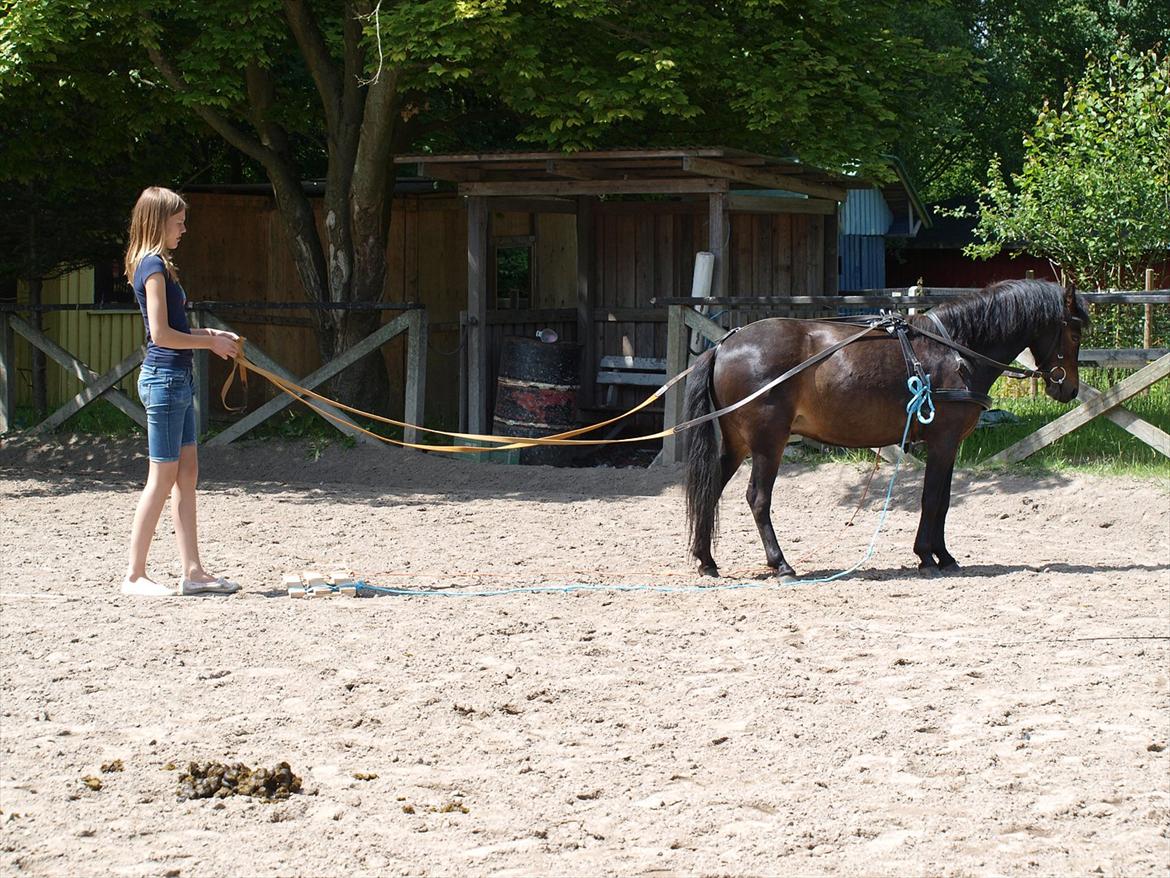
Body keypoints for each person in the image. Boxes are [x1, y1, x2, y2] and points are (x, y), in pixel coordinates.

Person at [121, 186, 242, 597]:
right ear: (159, 222)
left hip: (177, 379)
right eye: (179, 222)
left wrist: (210, 334)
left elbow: (175, 330)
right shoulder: (151, 265)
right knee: (163, 477)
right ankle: (135, 575)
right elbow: (161, 335)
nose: (184, 229)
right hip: (165, 380)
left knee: (186, 475)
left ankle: (193, 570)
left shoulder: (159, 265)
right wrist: (208, 342)